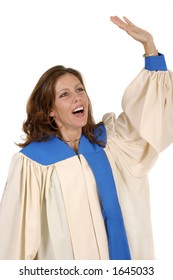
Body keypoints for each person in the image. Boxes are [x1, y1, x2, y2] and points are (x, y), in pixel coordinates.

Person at [0, 16, 173, 260]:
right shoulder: (33, 165)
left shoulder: (110, 143)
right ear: (50, 109)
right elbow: (14, 243)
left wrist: (150, 48)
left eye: (80, 90)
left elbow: (150, 118)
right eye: (65, 94)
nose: (77, 98)